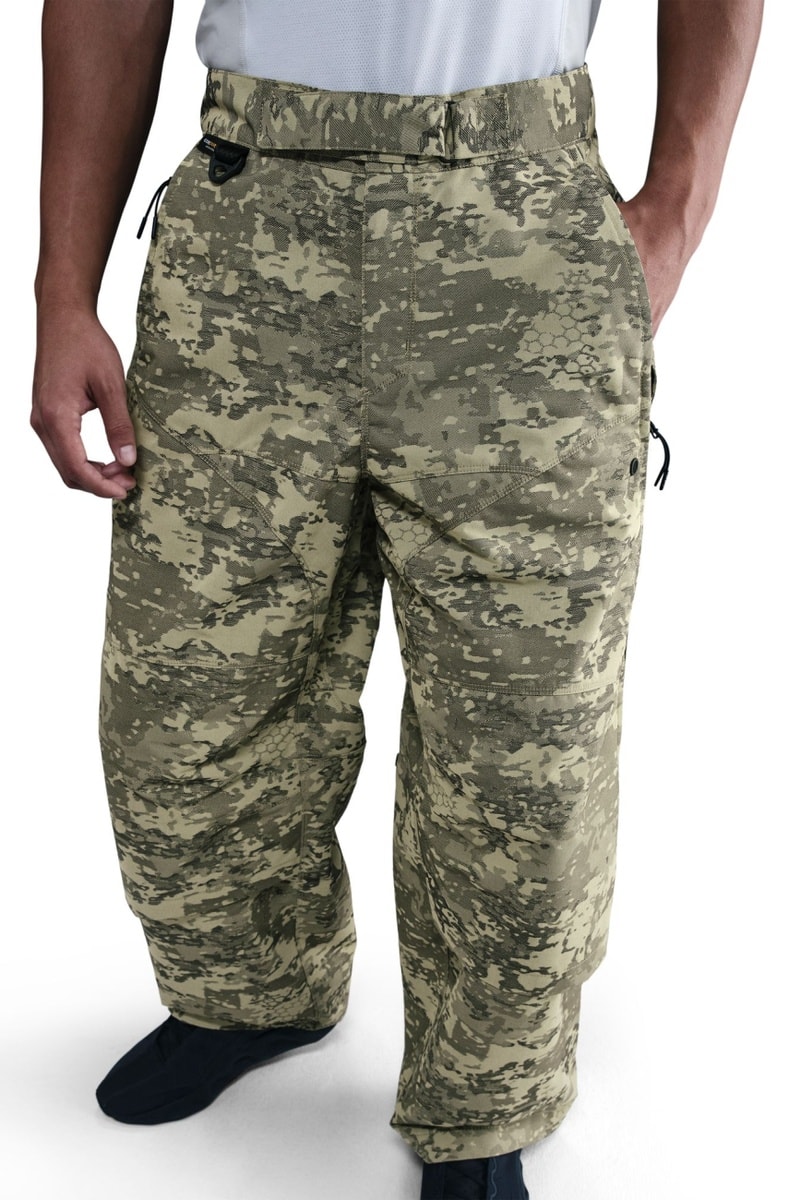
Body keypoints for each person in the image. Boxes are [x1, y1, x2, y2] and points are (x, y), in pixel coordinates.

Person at [30, 2, 763, 1198]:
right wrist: (65, 293)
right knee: (189, 709)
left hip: (517, 227)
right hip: (248, 225)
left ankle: (484, 1098)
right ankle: (250, 991)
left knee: (521, 746)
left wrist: (674, 211)